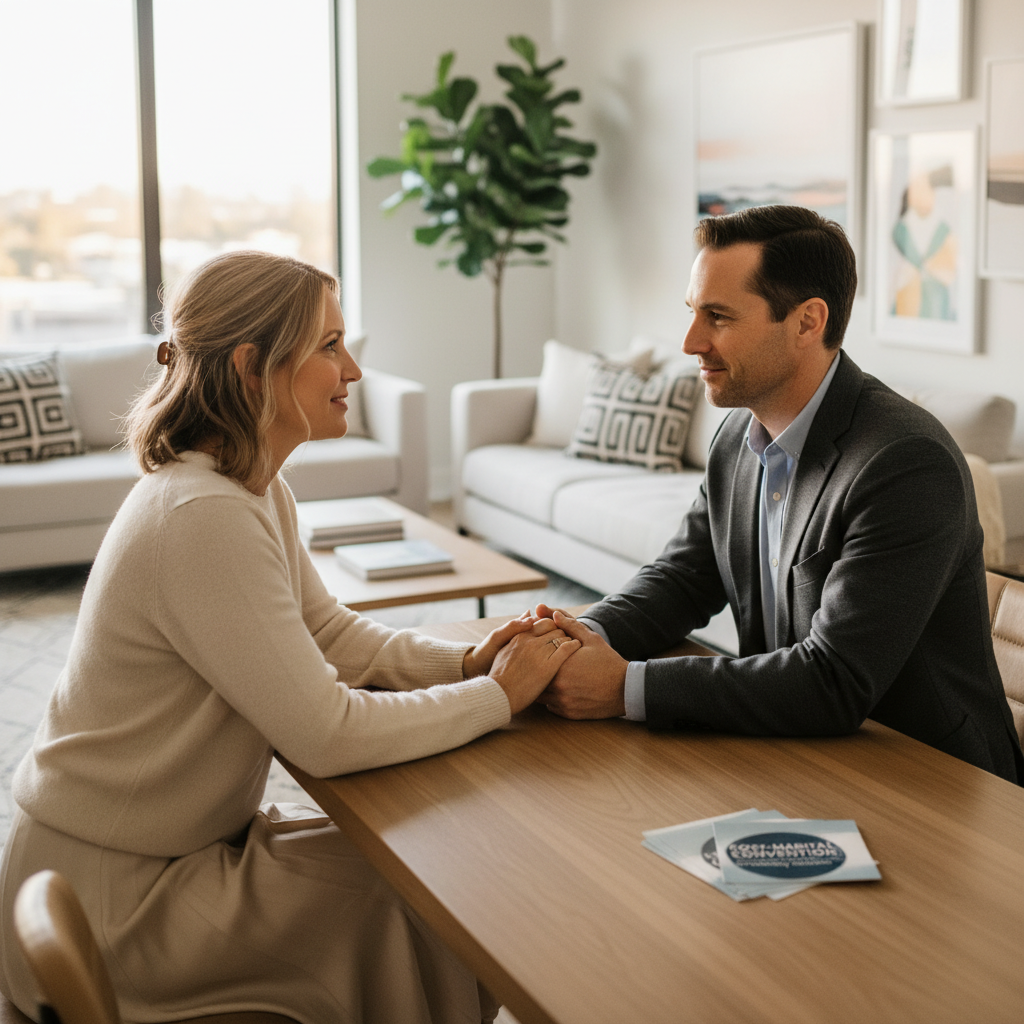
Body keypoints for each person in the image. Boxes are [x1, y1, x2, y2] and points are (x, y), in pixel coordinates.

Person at [0, 250, 581, 1023]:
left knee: (425, 873)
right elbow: (327, 734)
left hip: (173, 853)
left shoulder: (251, 489)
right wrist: (495, 697)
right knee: (429, 902)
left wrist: (469, 658)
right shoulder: (200, 518)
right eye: (329, 346)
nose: (354, 370)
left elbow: (330, 634)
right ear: (252, 367)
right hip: (124, 899)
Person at [534, 205, 1023, 784]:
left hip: (929, 781)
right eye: (693, 312)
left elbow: (833, 680)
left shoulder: (905, 463)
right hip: (797, 749)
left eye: (718, 317)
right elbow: (684, 579)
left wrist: (622, 687)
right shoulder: (739, 434)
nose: (691, 342)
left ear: (807, 322)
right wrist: (575, 637)